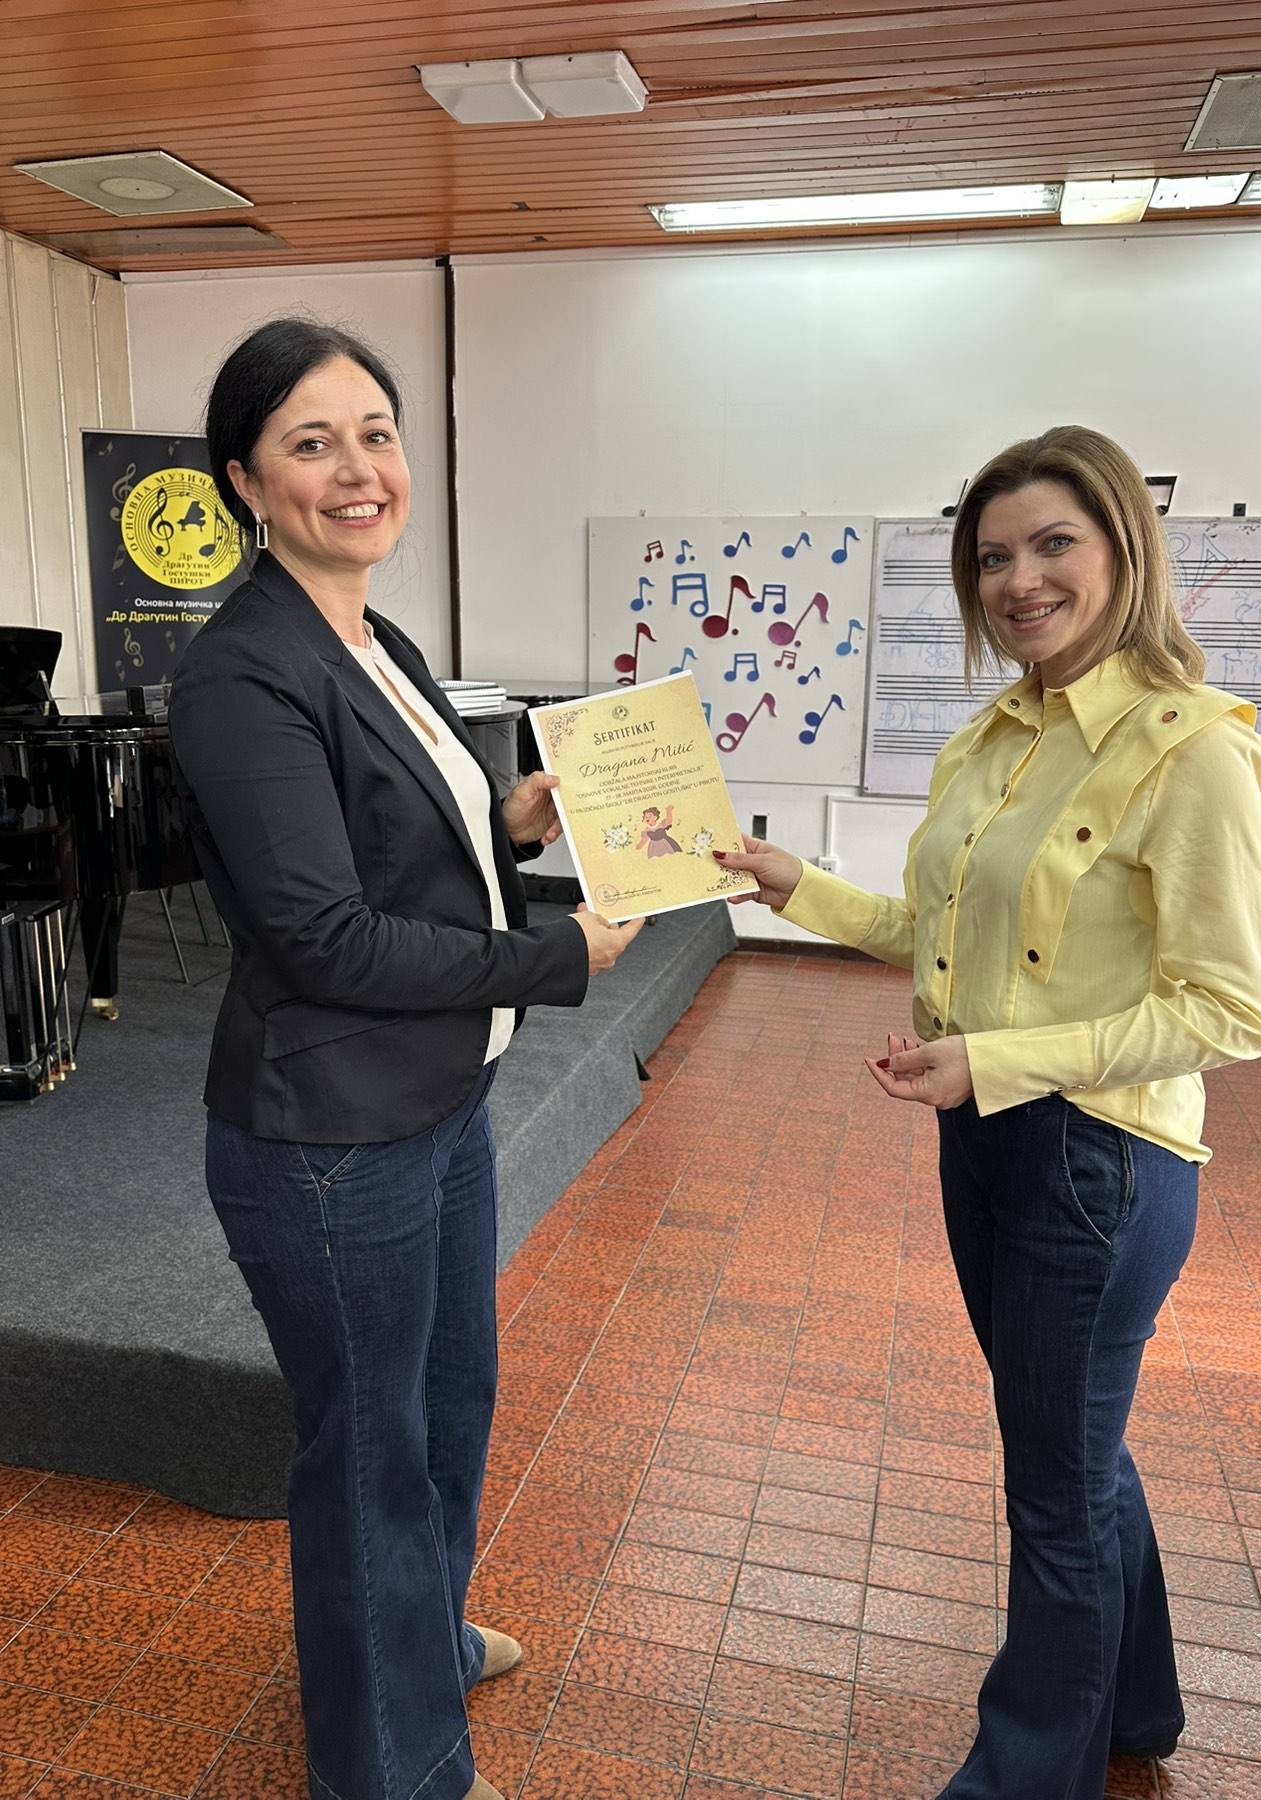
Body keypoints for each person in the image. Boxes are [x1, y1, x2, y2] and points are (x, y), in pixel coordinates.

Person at [715, 425, 1261, 1800]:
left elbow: (1231, 1009)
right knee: (1072, 1446)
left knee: (1053, 1483)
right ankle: (1133, 1703)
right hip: (987, 1141)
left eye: (1052, 545)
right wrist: (796, 886)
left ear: (1123, 553)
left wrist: (1000, 1062)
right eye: (990, 558)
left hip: (1100, 1161)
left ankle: (1027, 1773)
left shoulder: (1191, 753)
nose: (1019, 580)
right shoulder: (997, 740)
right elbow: (938, 929)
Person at [170, 318, 643, 1800]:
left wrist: (509, 826)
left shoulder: (380, 639)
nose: (358, 469)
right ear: (247, 481)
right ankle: (394, 1767)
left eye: (374, 433)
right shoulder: (243, 674)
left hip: (438, 1100)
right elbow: (324, 935)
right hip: (329, 1138)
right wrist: (557, 957)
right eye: (311, 443)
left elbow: (398, 844)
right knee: (371, 1452)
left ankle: (420, 1639)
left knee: (447, 1410)